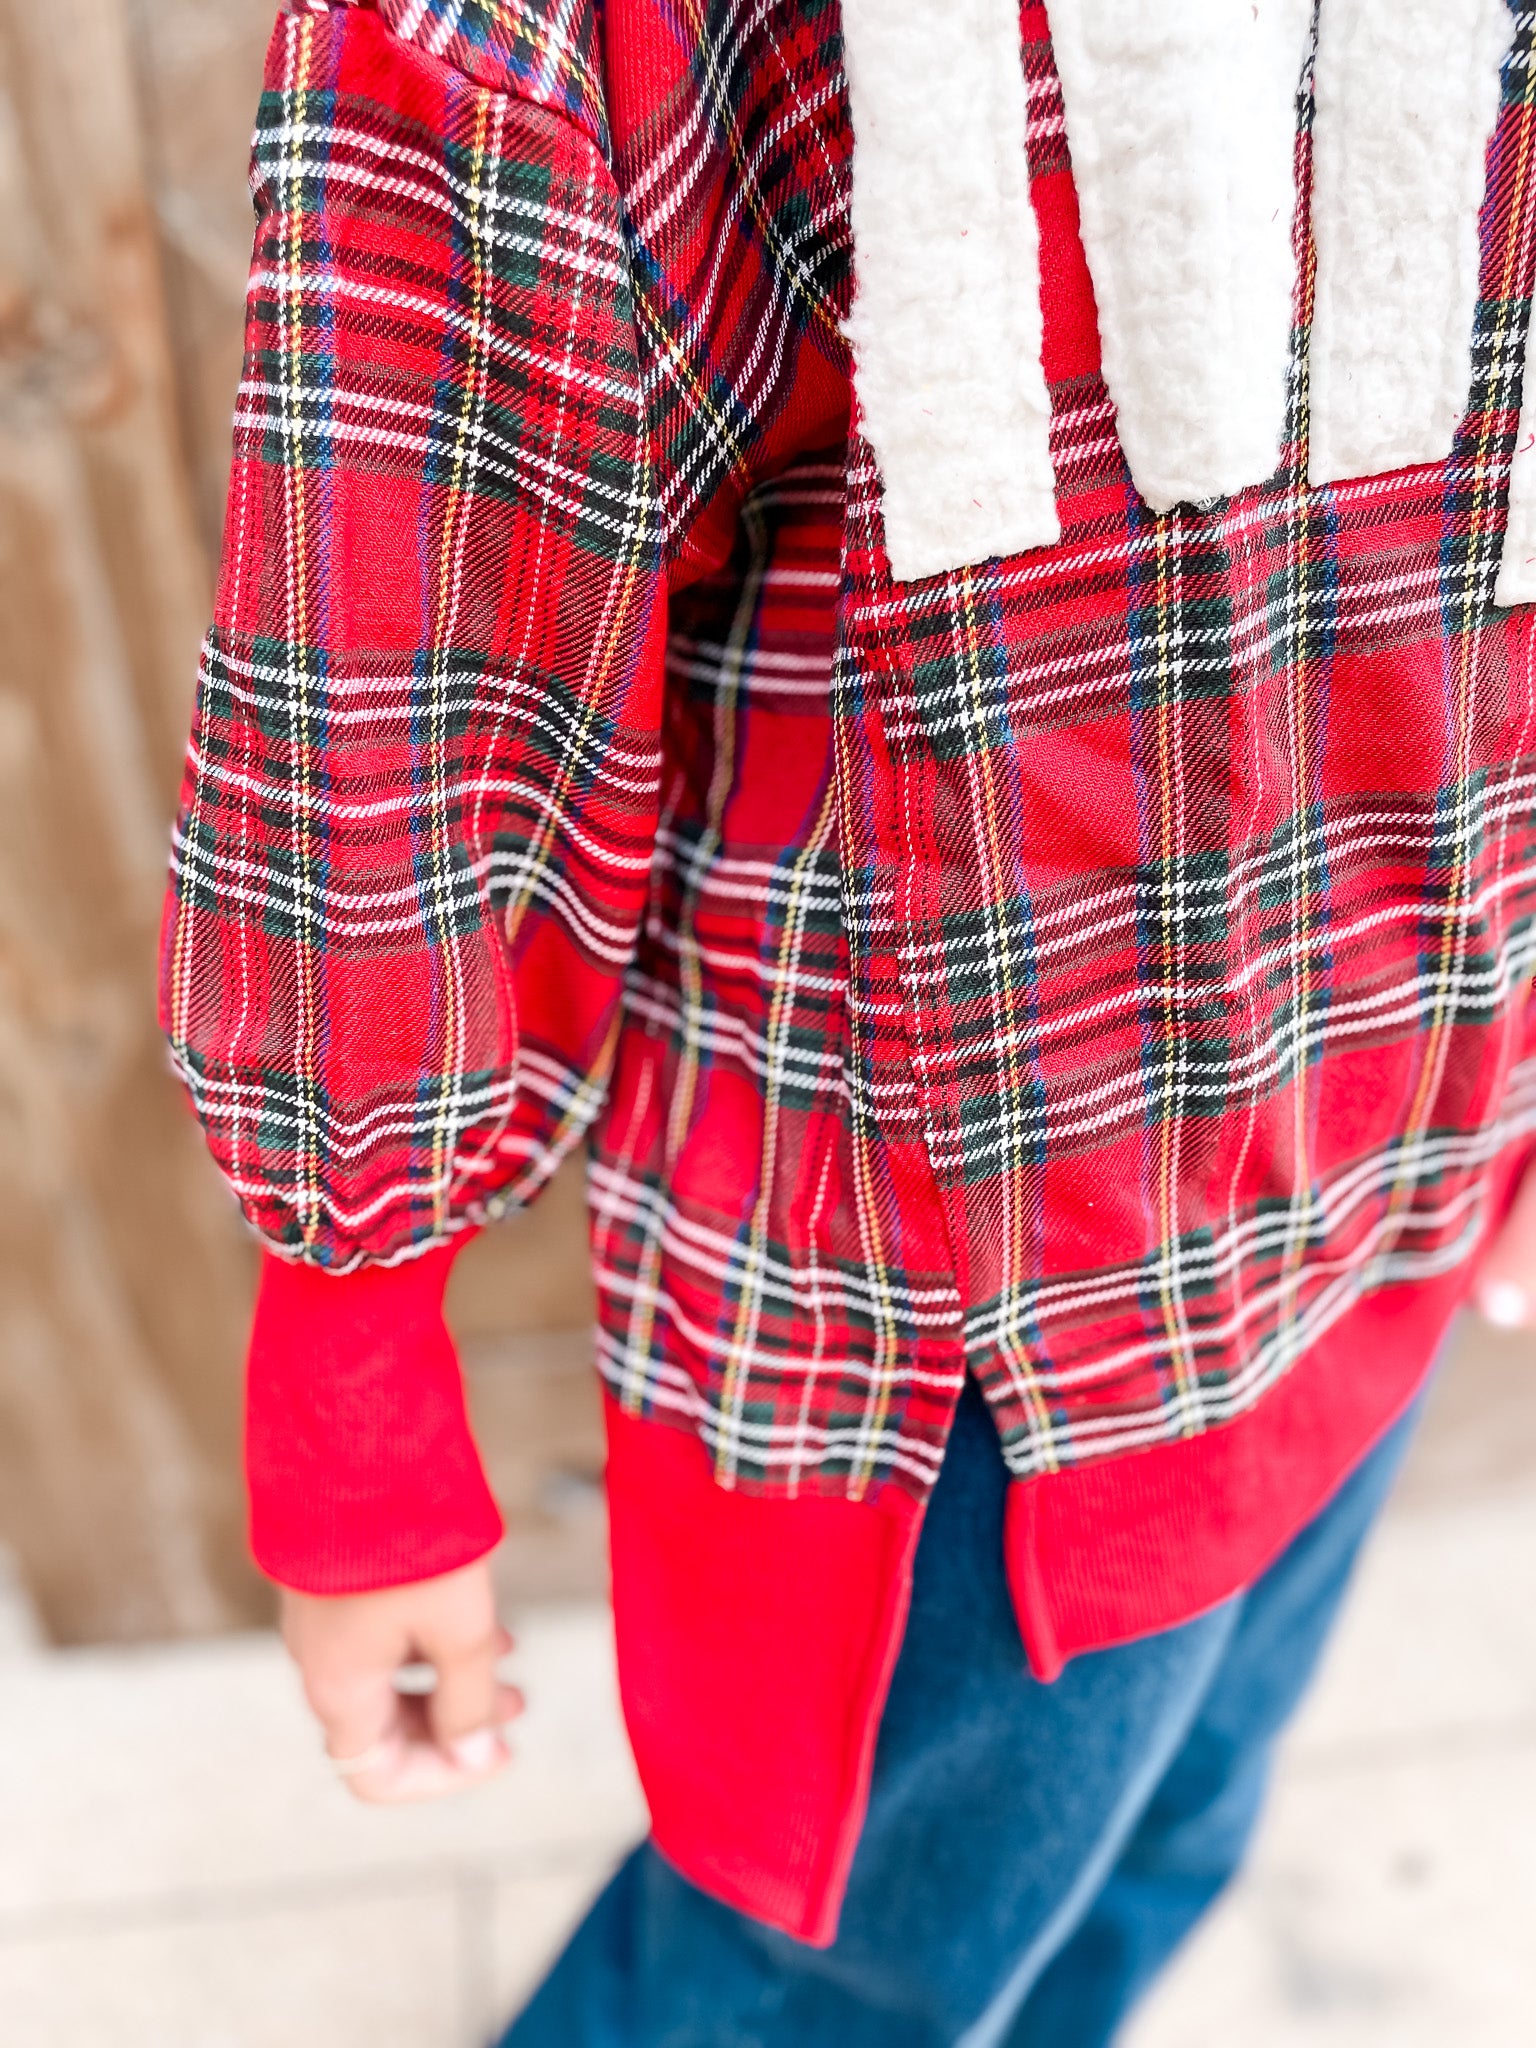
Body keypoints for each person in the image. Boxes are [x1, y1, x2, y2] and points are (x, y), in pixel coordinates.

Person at [160, 0, 1536, 2039]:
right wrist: (351, 1352)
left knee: (1165, 1850)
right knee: (825, 1991)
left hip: (1410, 1087)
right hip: (985, 1278)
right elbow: (422, 588)